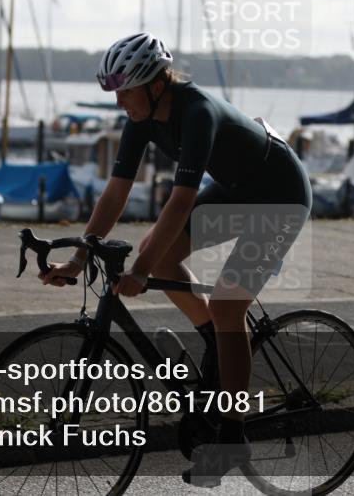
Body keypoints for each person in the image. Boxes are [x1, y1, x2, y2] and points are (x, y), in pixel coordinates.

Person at [38, 32, 312, 485]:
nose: (120, 102)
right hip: (238, 190)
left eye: (124, 92)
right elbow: (115, 192)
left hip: (279, 194)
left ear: (155, 85)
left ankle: (231, 435)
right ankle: (216, 346)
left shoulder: (196, 111)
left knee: (227, 303)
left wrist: (141, 274)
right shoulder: (141, 119)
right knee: (155, 252)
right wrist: (80, 258)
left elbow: (181, 201)